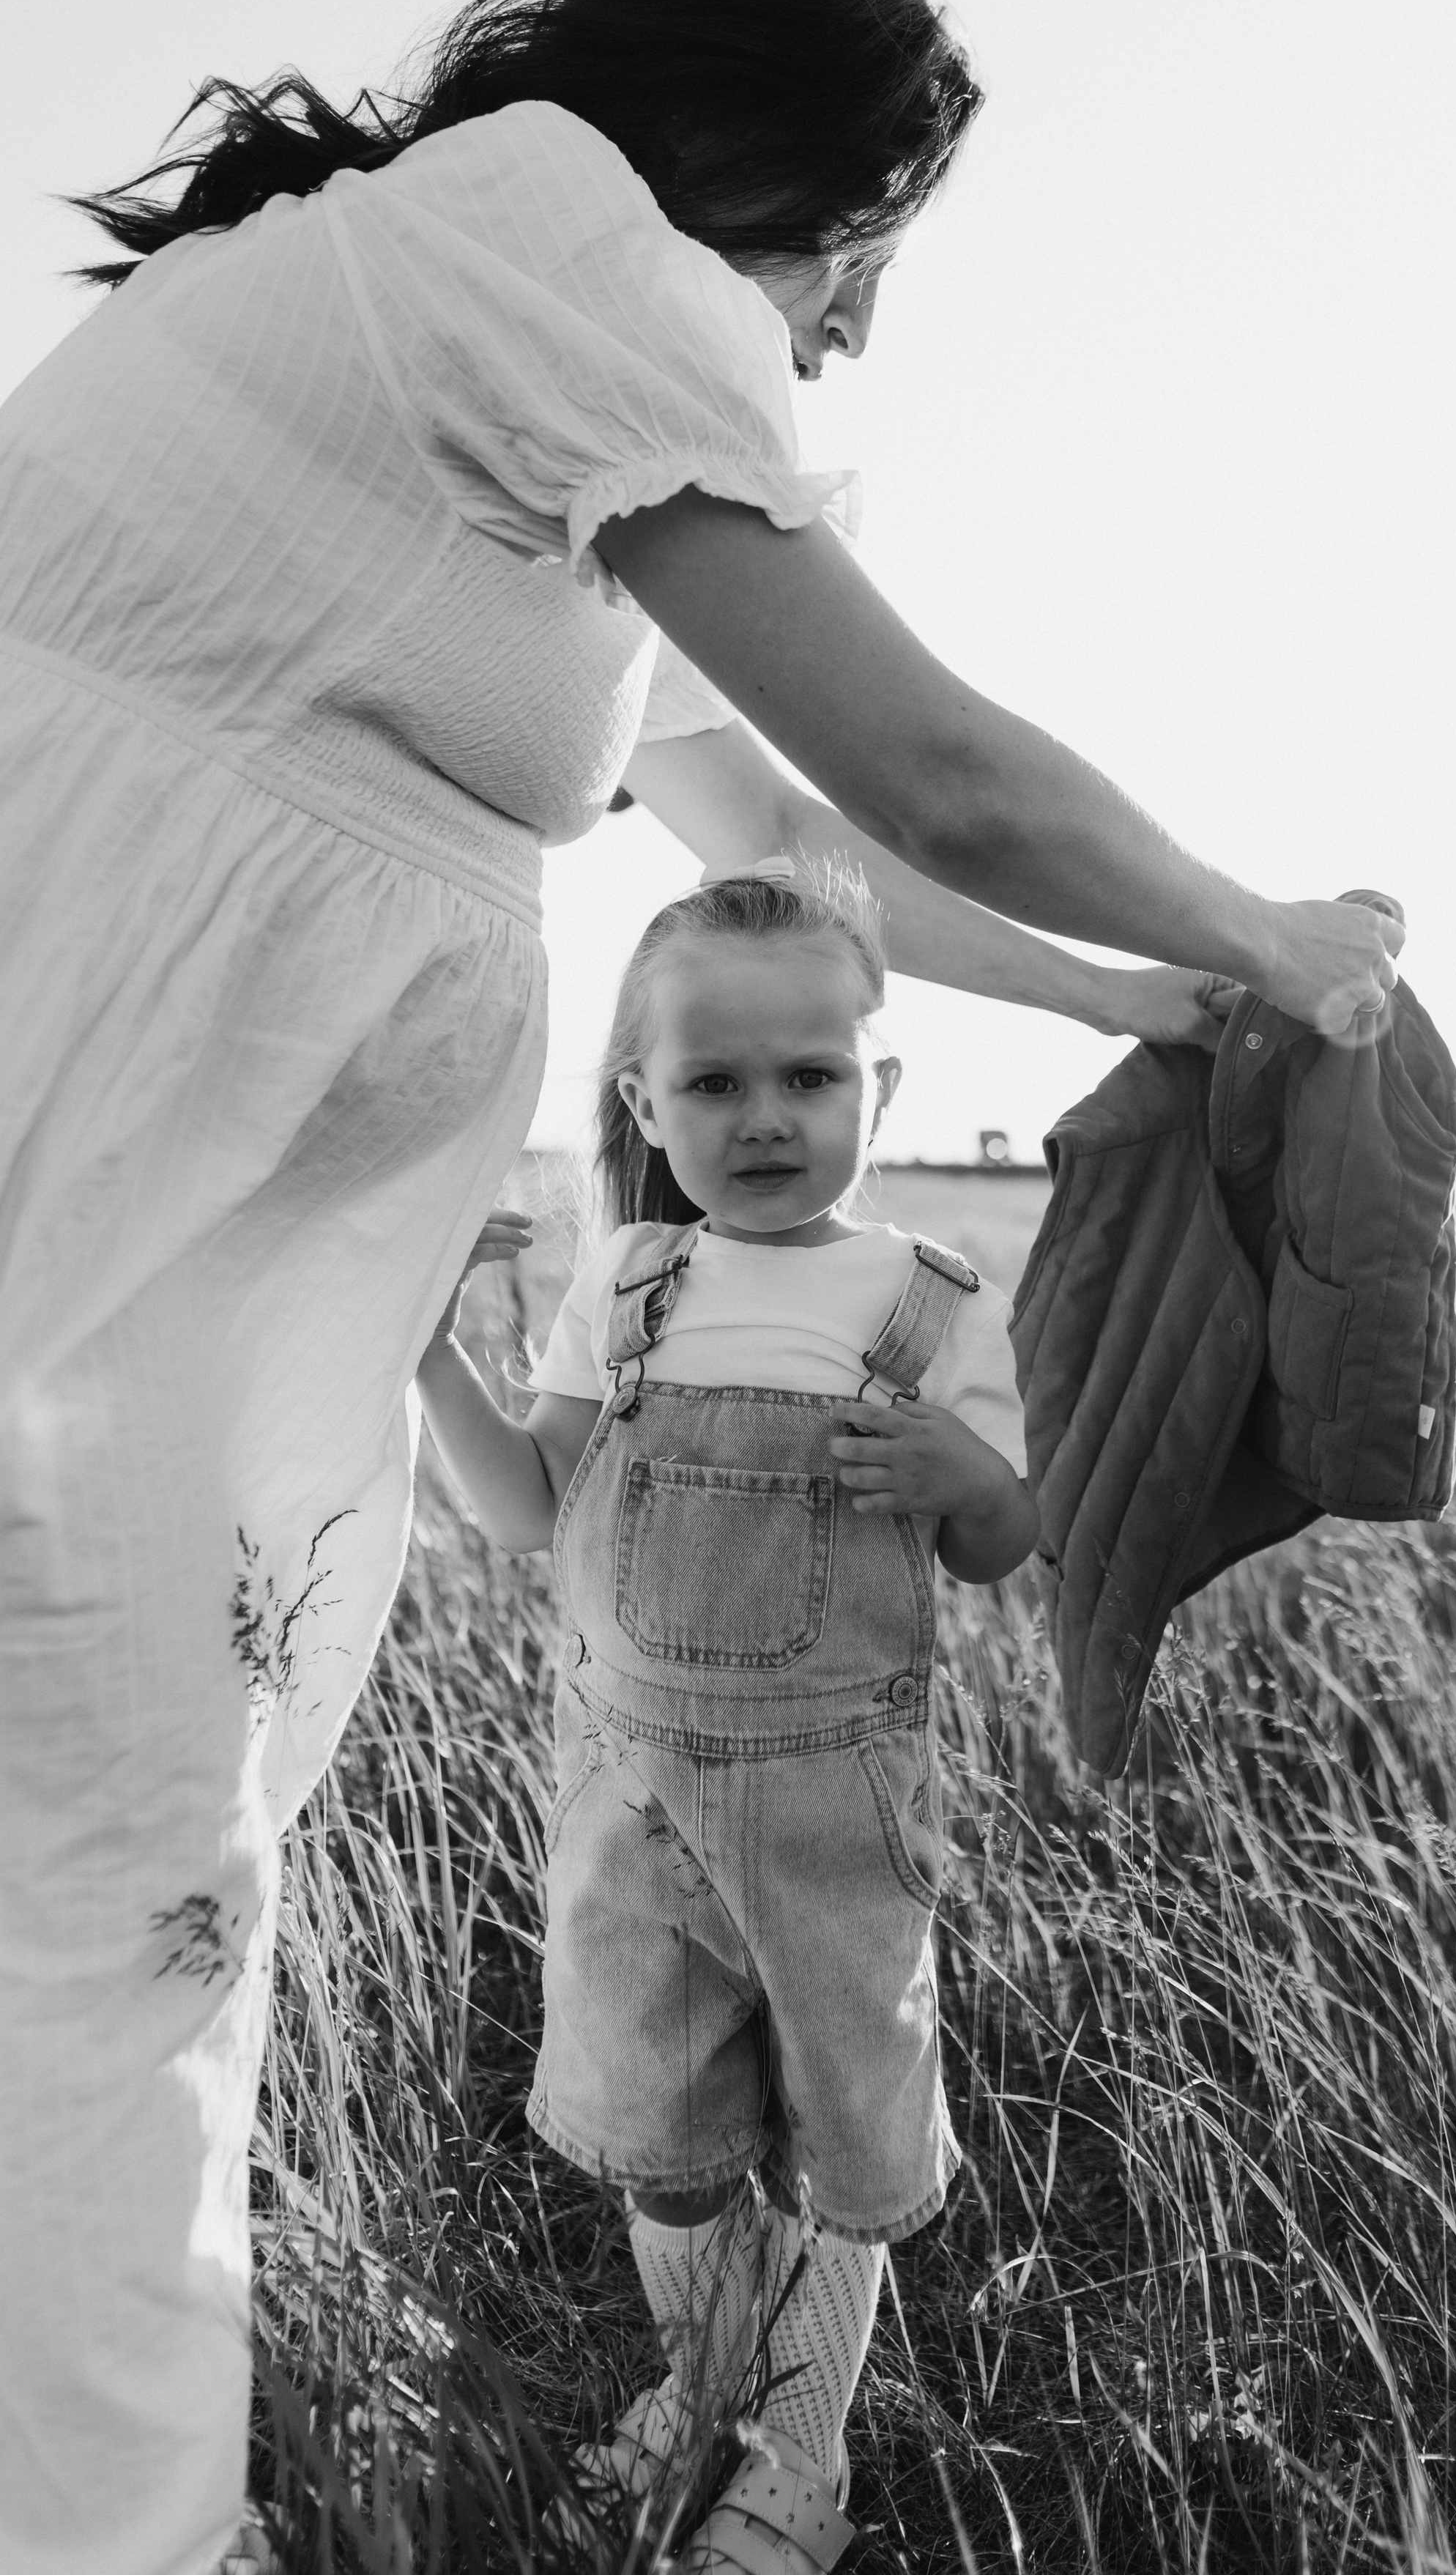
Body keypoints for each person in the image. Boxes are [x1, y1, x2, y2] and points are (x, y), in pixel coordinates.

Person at [0, 0, 1402, 2575]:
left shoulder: (456, 358)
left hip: (124, 1145)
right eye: (862, 247)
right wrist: (1273, 941)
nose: (848, 329)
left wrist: (1149, 1010)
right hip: (89, 1137)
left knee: (79, 1869)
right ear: (759, 150)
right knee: (92, 1895)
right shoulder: (550, 236)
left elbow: (819, 839)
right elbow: (942, 763)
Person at [417, 864, 1038, 2573]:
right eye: (712, 1083)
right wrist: (421, 1346)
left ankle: (799, 2462)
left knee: (839, 2150)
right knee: (670, 2151)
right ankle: (697, 2389)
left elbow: (998, 1545)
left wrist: (961, 1472)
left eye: (808, 1078)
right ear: (641, 1103)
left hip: (837, 1810)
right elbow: (529, 1508)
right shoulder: (625, 1284)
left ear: (876, 1089)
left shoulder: (929, 1301)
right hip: (626, 1810)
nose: (765, 1118)